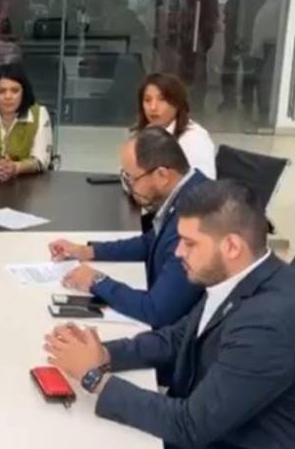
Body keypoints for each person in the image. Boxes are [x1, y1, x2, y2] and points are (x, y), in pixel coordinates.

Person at [44, 180, 295, 449]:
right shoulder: (246, 278)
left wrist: (94, 379)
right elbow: (178, 339)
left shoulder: (269, 326)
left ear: (231, 246)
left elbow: (190, 425)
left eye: (189, 243)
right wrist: (104, 354)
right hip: (237, 434)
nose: (178, 253)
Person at [49, 128, 208, 328]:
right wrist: (87, 251)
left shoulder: (195, 220)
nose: (130, 187)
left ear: (162, 175)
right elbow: (150, 242)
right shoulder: (189, 192)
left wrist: (97, 280)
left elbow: (157, 311)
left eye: (132, 178)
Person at [0, 63, 53, 181]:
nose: (8, 96)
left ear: (24, 92)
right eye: (1, 91)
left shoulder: (39, 114)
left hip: (29, 184)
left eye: (15, 91)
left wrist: (16, 167)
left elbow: (41, 161)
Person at [134, 72, 216, 178]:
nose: (153, 107)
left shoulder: (195, 138)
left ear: (177, 103)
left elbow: (204, 183)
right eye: (147, 100)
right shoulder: (143, 134)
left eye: (162, 99)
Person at [219, 0, 268, 118]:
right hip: (233, 40)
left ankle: (247, 104)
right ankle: (228, 101)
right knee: (228, 72)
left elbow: (261, 20)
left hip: (251, 41)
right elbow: (227, 18)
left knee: (249, 75)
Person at [175, 0, 219, 106]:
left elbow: (207, 18)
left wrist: (199, 38)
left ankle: (195, 103)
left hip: (195, 38)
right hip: (189, 37)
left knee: (195, 70)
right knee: (189, 69)